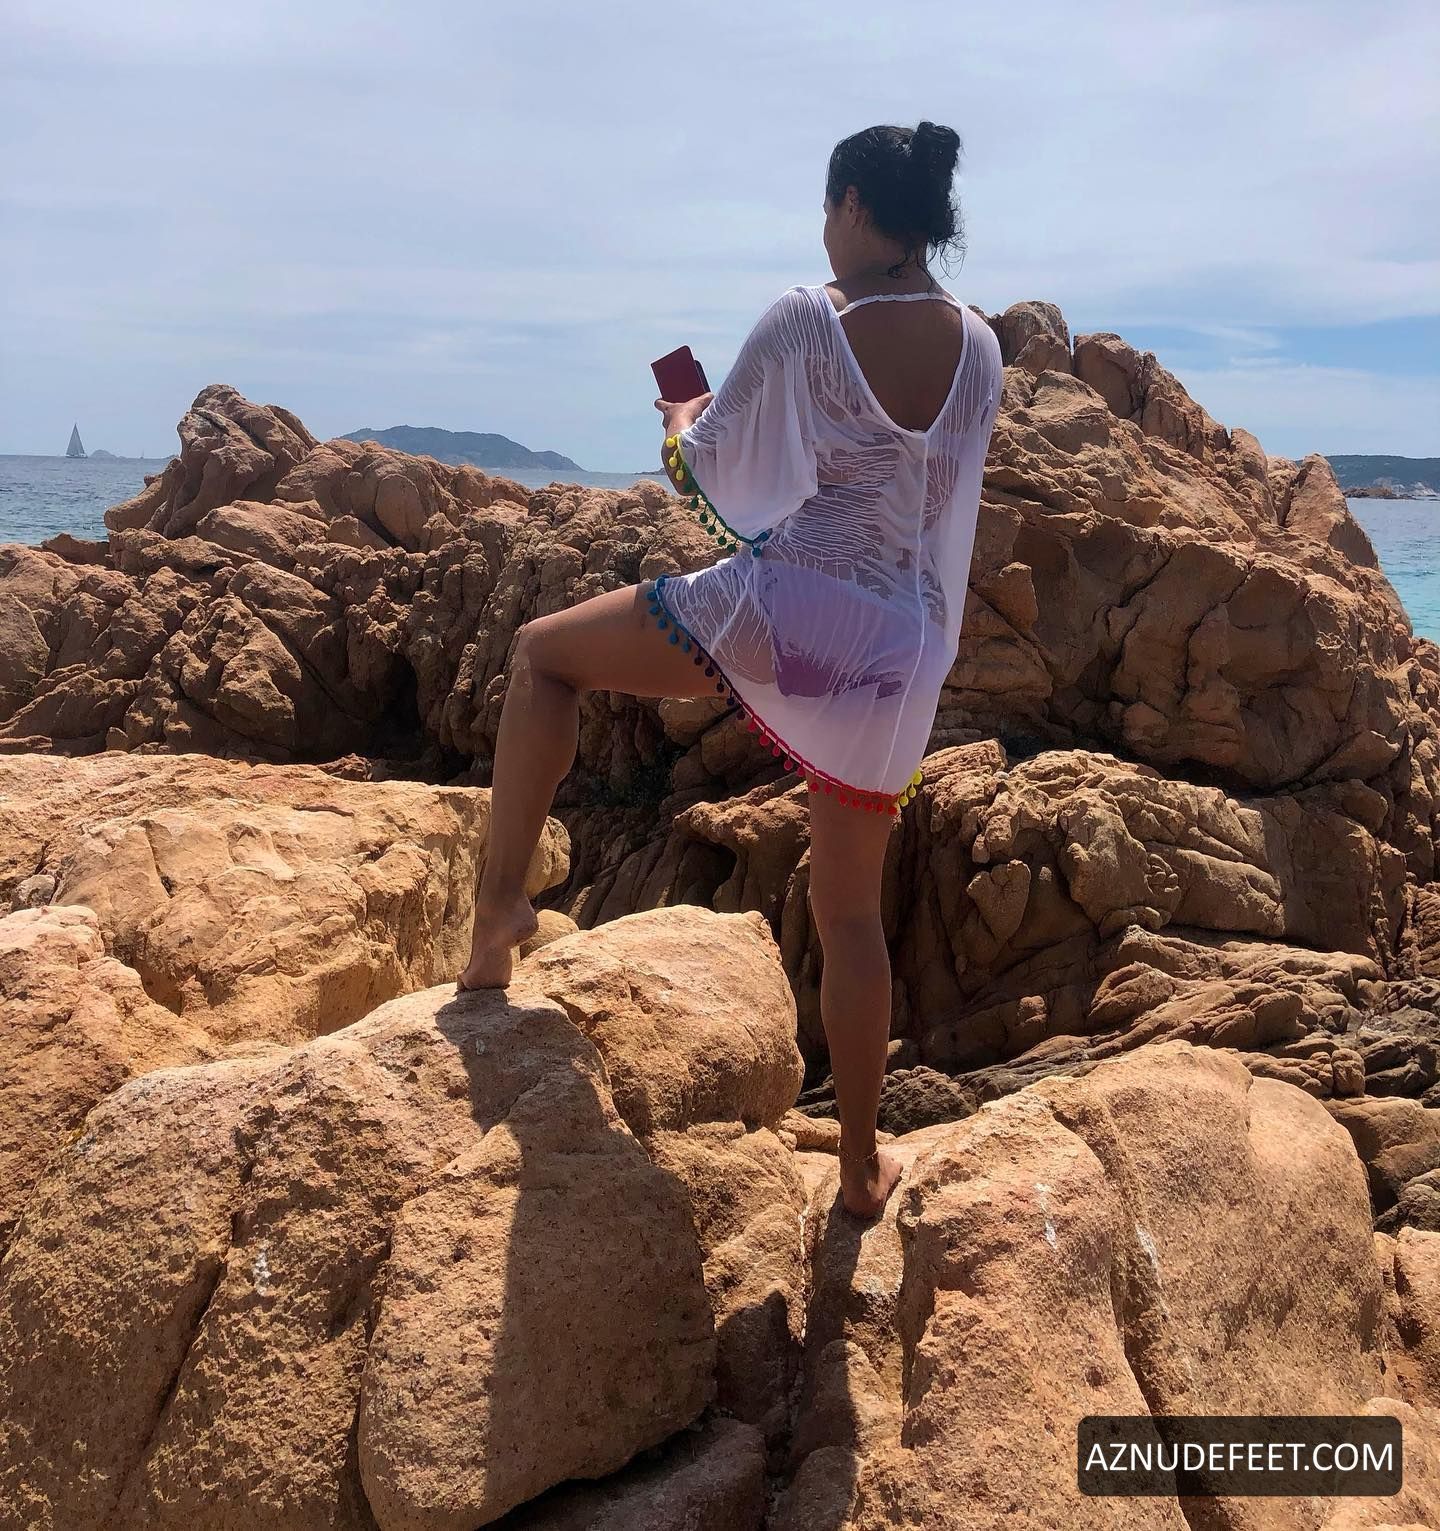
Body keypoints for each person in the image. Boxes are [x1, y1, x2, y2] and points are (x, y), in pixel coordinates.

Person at [457, 120, 1004, 1219]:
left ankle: (499, 912)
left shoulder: (810, 318)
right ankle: (862, 1169)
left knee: (542, 656)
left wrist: (680, 414)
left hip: (790, 613)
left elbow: (710, 480)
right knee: (850, 914)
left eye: (826, 208)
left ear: (854, 207)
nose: (822, 230)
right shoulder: (981, 346)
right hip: (904, 653)